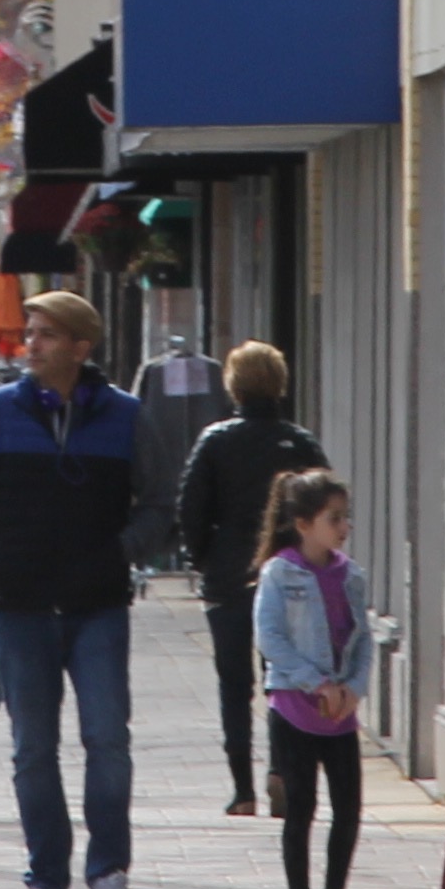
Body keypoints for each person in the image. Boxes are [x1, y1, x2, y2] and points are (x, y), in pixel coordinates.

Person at [0, 287, 154, 889]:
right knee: (33, 747)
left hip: (97, 607)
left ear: (81, 347)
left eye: (46, 334)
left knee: (107, 739)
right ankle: (47, 880)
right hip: (19, 606)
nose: (30, 344)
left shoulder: (125, 416)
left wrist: (122, 552)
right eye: (29, 332)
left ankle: (108, 873)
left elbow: (160, 499)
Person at [164, 342, 323, 819]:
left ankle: (242, 790)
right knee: (284, 677)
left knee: (234, 685)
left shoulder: (216, 441)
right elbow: (324, 504)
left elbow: (189, 507)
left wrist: (203, 559)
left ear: (233, 385)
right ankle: (282, 770)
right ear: (280, 383)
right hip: (290, 576)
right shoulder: (299, 442)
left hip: (229, 577)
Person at [249, 467, 377, 889]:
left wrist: (353, 689)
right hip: (295, 708)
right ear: (303, 524)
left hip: (340, 712)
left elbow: (363, 640)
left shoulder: (350, 575)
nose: (344, 526)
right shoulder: (280, 573)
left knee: (348, 806)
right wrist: (315, 683)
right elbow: (270, 638)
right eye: (333, 518)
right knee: (301, 808)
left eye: (346, 516)